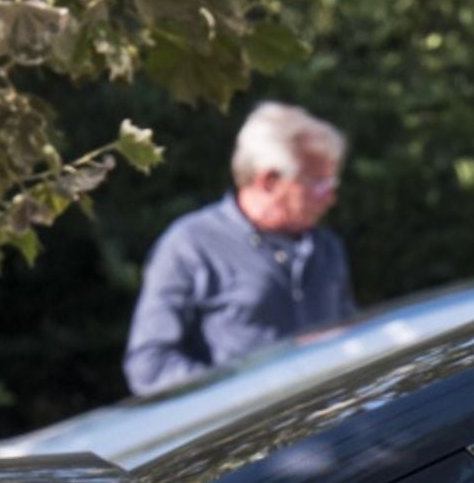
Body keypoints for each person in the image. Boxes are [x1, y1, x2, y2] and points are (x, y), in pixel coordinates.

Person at [122, 102, 354, 396]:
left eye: (332, 182)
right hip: (246, 436)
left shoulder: (326, 247)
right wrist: (241, 393)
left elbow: (351, 337)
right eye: (319, 183)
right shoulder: (191, 245)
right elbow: (151, 367)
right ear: (269, 180)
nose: (330, 198)